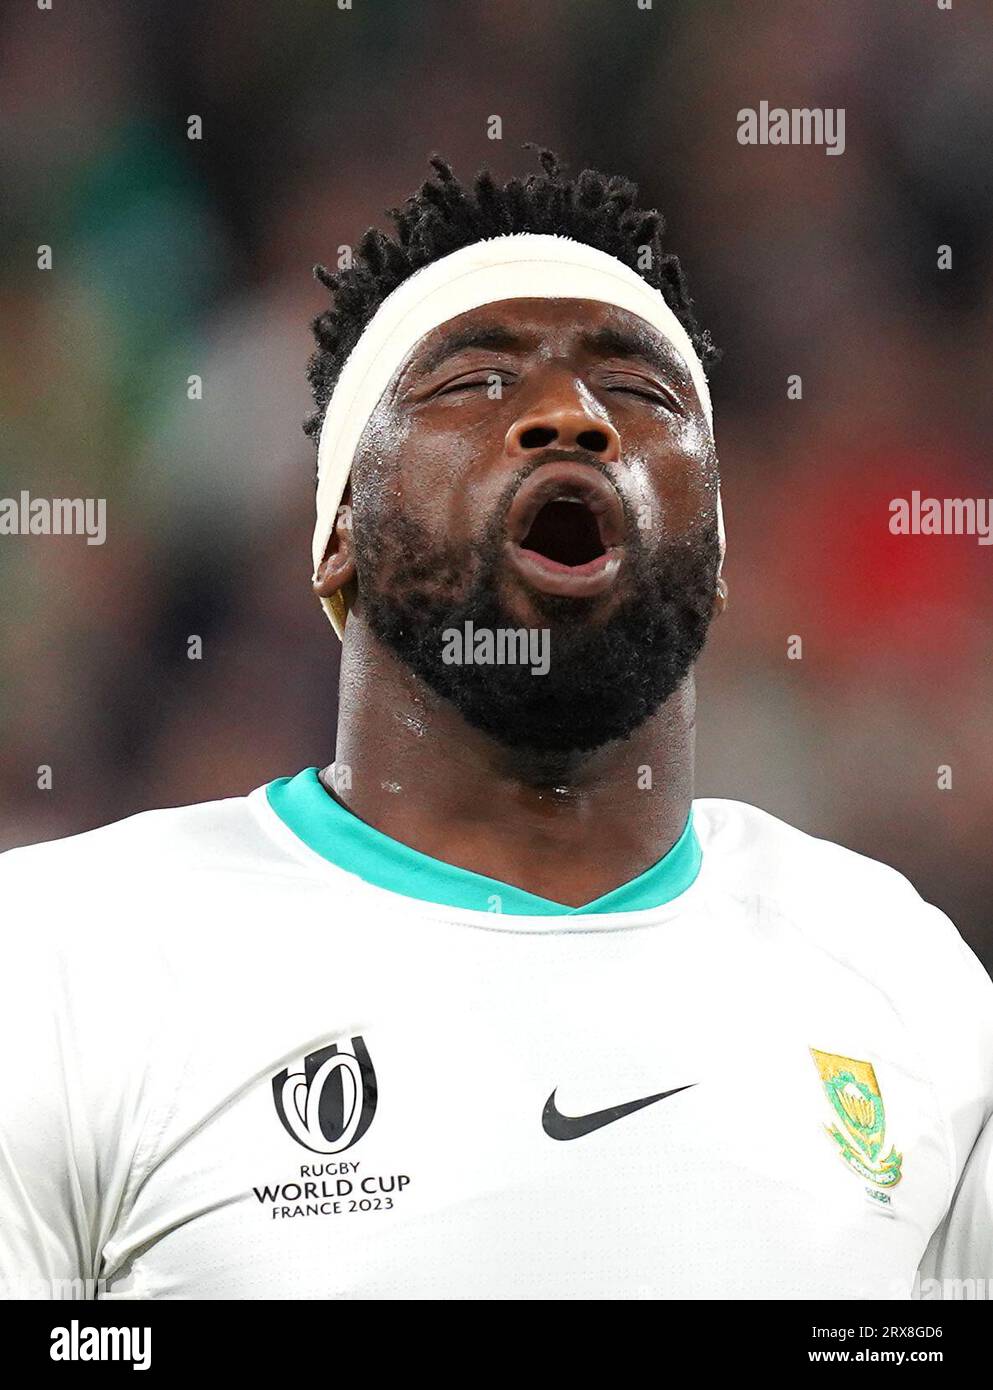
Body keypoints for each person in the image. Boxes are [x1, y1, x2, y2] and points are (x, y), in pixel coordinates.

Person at [1, 149, 990, 1300]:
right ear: (338, 538)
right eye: (474, 381)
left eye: (640, 393)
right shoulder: (66, 957)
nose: (569, 418)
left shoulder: (899, 973)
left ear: (717, 560)